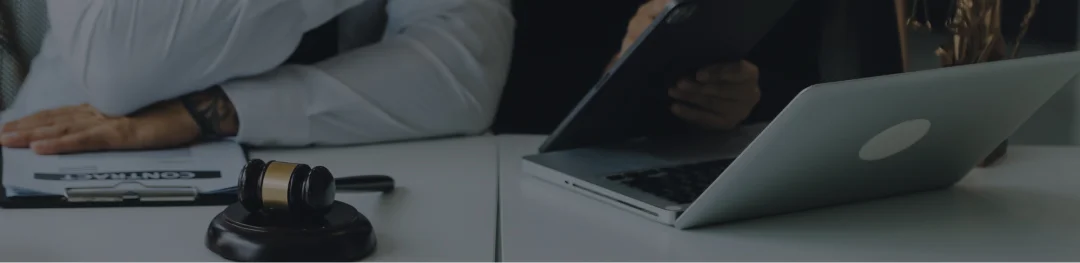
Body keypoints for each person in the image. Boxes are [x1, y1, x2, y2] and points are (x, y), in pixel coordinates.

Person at [0, 0, 514, 155]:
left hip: (340, 171)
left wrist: (211, 110)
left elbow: (461, 73)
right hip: (63, 165)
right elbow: (115, 64)